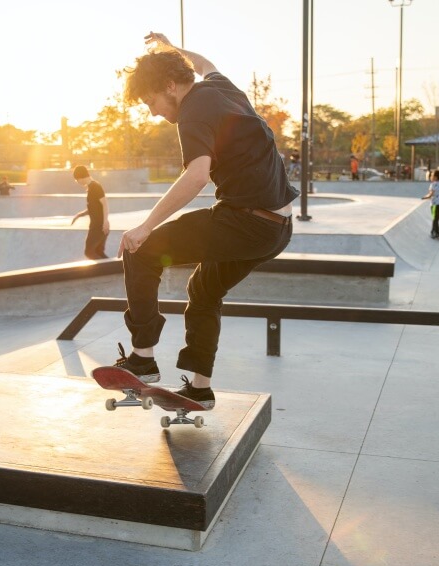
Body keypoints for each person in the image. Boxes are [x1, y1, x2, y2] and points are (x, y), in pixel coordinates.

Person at [116, 31, 297, 409]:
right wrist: (170, 49)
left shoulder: (194, 108)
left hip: (245, 222)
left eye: (151, 102)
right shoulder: (221, 87)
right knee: (204, 292)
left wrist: (145, 227)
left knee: (140, 250)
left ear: (169, 86)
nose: (153, 113)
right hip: (277, 228)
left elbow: (197, 176)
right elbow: (202, 64)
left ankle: (143, 358)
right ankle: (200, 387)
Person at [70, 166, 110, 260]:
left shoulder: (95, 186)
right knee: (98, 252)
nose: (77, 182)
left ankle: (110, 268)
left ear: (81, 177)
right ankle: (113, 268)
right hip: (97, 226)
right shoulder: (90, 188)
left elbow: (105, 204)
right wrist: (79, 215)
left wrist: (105, 222)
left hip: (99, 227)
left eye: (77, 180)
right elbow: (93, 209)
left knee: (89, 252)